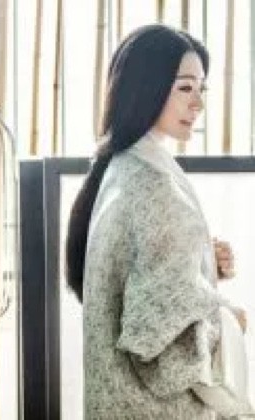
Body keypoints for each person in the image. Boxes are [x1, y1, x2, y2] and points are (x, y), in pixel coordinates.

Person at [65, 24, 246, 419]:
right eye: (185, 88)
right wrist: (228, 318)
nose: (198, 104)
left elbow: (137, 283)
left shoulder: (118, 168)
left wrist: (199, 261)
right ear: (146, 88)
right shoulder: (155, 186)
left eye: (202, 89)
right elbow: (162, 346)